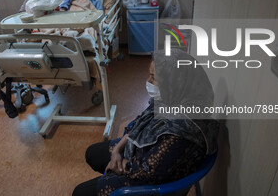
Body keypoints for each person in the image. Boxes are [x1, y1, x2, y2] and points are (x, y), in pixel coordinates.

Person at [72, 49, 220, 196]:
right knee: (93, 153)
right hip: (146, 153)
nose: (149, 82)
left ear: (174, 83)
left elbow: (147, 172)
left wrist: (119, 166)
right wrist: (117, 150)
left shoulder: (182, 133)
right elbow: (138, 125)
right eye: (149, 75)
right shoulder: (172, 98)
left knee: (80, 193)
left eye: (154, 78)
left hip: (151, 181)